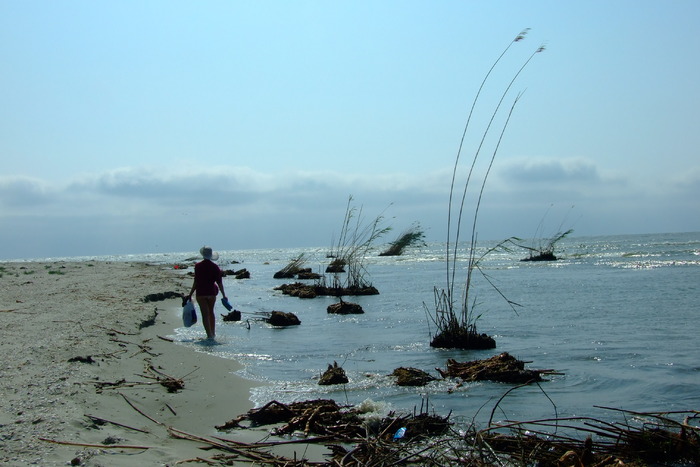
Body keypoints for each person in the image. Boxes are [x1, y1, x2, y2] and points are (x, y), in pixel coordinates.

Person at [187, 246, 227, 339]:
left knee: (205, 315)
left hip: (201, 293)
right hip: (211, 293)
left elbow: (196, 282)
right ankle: (213, 333)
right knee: (211, 313)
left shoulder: (198, 266)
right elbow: (219, 283)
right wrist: (224, 295)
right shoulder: (215, 267)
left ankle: (209, 335)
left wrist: (190, 294)